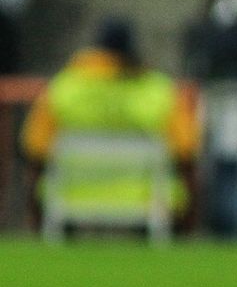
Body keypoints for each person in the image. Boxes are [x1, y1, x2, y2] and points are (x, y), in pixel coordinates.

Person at [20, 17, 199, 232]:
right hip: (148, 197)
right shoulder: (160, 91)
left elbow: (34, 149)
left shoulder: (62, 89)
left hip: (70, 194)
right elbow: (187, 150)